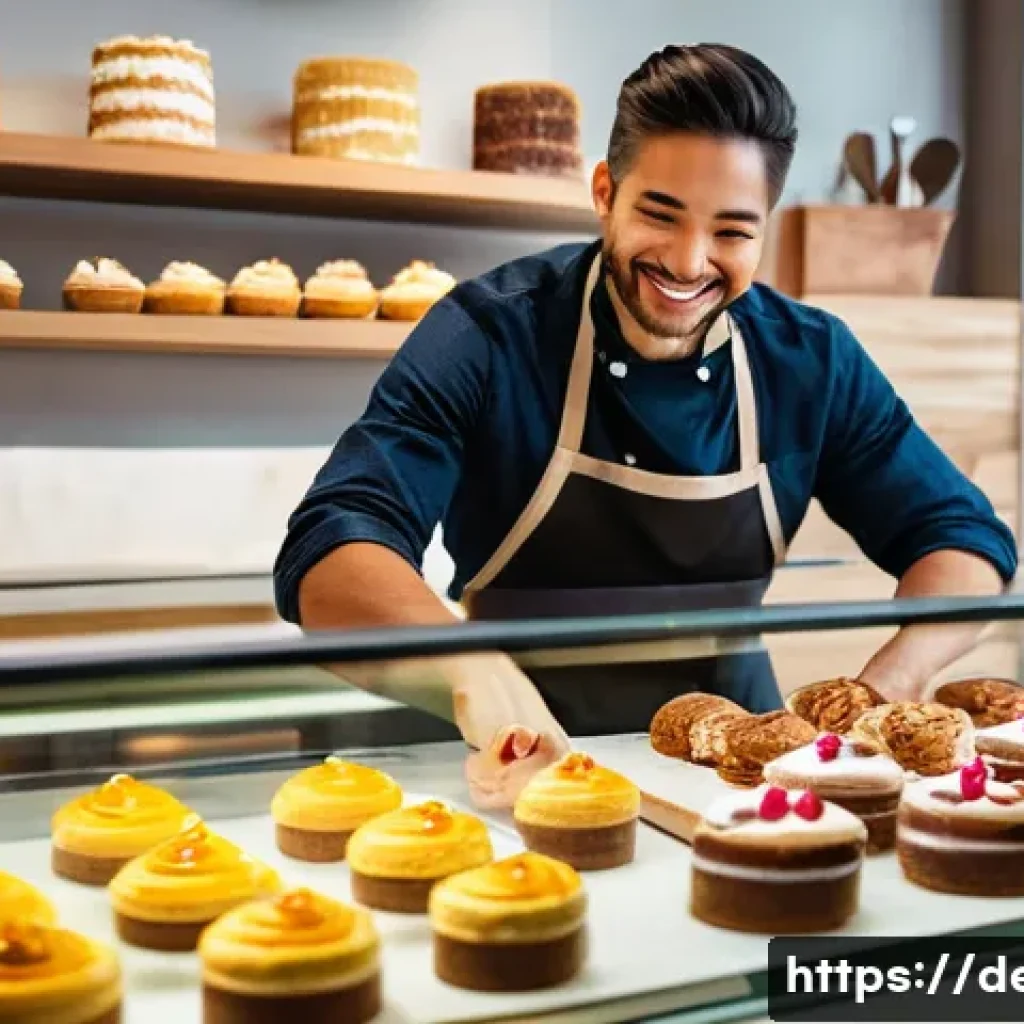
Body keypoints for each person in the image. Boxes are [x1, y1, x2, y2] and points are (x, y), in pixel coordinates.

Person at [273, 44, 1017, 807]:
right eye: (661, 215)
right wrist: (474, 672)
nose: (690, 263)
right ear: (606, 191)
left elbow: (961, 537)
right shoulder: (490, 333)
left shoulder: (810, 360)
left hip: (729, 776)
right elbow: (332, 544)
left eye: (732, 232)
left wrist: (885, 690)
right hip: (512, 764)